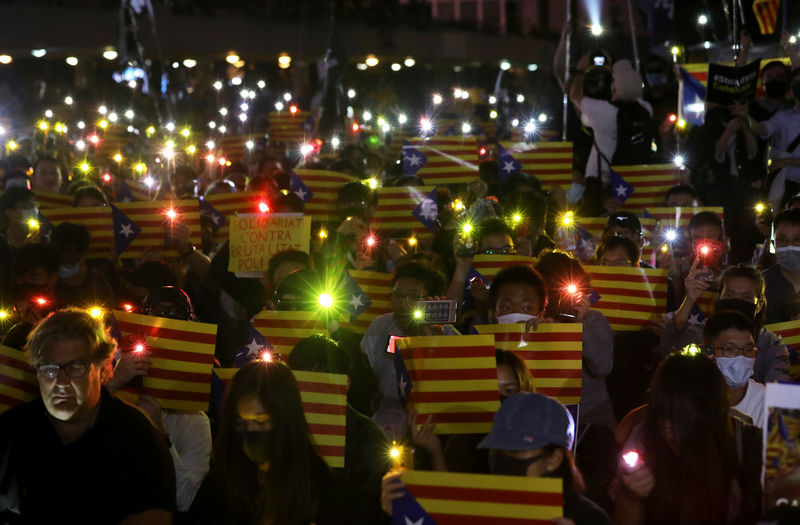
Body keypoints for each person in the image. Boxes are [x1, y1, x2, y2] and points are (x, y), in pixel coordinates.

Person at [0, 309, 175, 523]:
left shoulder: (137, 434)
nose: (61, 381)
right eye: (50, 368)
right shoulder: (14, 429)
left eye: (76, 367)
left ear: (103, 370)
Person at [383, 392, 610, 524]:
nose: (502, 459)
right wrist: (404, 512)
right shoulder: (479, 506)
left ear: (553, 459)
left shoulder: (587, 519)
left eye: (515, 450)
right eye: (496, 450)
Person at [186, 360, 356, 524]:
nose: (250, 432)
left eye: (260, 421)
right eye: (240, 423)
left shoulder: (324, 492)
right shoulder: (221, 486)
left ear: (286, 419)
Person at [613, 353, 762, 525]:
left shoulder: (749, 447)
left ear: (709, 413)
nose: (668, 427)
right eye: (662, 415)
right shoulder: (644, 441)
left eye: (680, 417)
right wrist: (630, 498)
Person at [108, 286, 212, 513]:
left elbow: (185, 500)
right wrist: (113, 382)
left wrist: (161, 436)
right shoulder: (111, 395)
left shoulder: (194, 421)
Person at [286, 335, 390, 524]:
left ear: (346, 383)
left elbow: (370, 509)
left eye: (319, 378)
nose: (310, 387)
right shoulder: (281, 427)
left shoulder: (367, 436)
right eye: (302, 378)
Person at [661, 263, 790, 383]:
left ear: (760, 304)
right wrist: (689, 299)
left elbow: (777, 397)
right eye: (729, 296)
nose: (736, 302)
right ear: (720, 298)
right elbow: (670, 350)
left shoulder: (772, 346)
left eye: (746, 298)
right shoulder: (703, 334)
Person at [361, 261, 449, 408]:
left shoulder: (449, 338)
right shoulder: (379, 326)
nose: (402, 304)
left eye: (414, 297)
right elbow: (363, 375)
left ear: (433, 300)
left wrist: (430, 344)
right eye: (398, 295)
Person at [703, 311, 766, 428]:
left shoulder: (768, 403)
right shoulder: (692, 398)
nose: (741, 357)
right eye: (729, 349)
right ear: (709, 353)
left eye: (748, 349)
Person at [49, 222, 115, 308]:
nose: (68, 262)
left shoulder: (97, 283)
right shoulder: (43, 281)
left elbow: (109, 311)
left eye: (74, 256)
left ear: (86, 252)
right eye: (64, 255)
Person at [763, 207, 800, 323]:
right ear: (774, 243)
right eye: (783, 240)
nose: (790, 246)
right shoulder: (761, 284)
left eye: (797, 240)